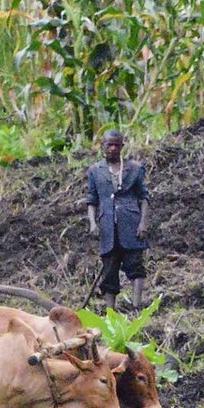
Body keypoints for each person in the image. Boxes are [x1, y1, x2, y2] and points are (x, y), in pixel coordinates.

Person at [84, 130, 151, 308]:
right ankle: (110, 312)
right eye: (109, 145)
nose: (113, 148)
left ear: (122, 146)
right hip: (108, 228)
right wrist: (93, 223)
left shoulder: (135, 168)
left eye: (116, 145)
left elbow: (144, 197)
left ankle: (136, 306)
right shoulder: (95, 171)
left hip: (131, 224)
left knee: (135, 265)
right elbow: (92, 200)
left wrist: (143, 223)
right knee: (109, 270)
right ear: (102, 146)